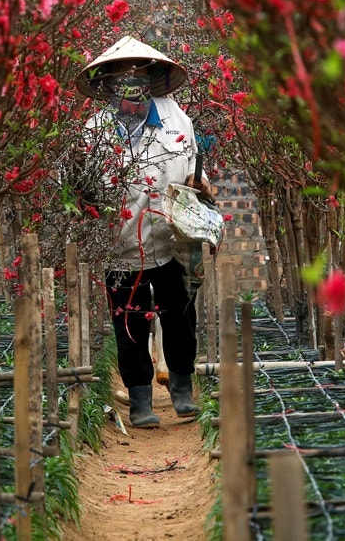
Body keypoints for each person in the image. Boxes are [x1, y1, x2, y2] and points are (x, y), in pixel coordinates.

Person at [73, 35, 216, 429]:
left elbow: (193, 170)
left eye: (137, 75)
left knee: (180, 316)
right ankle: (140, 400)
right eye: (121, 77)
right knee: (130, 322)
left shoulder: (176, 119)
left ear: (150, 79)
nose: (130, 84)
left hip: (171, 240)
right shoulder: (95, 130)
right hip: (120, 244)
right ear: (109, 84)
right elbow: (83, 189)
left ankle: (182, 388)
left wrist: (202, 189)